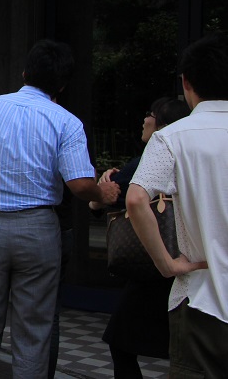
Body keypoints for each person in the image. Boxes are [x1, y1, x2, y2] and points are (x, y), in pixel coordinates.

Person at [0, 40, 120, 378]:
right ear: (61, 85)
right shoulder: (66, 123)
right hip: (38, 230)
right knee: (33, 334)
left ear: (25, 72)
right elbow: (78, 184)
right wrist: (103, 193)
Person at [128, 32, 228, 377]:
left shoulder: (172, 137)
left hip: (201, 300)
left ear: (187, 83)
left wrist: (167, 264)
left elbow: (136, 197)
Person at [94, 97, 189, 379]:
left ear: (162, 123)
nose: (144, 120)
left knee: (121, 341)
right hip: (190, 265)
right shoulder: (195, 151)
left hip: (154, 267)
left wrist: (102, 190)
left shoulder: (152, 156)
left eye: (149, 114)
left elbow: (111, 200)